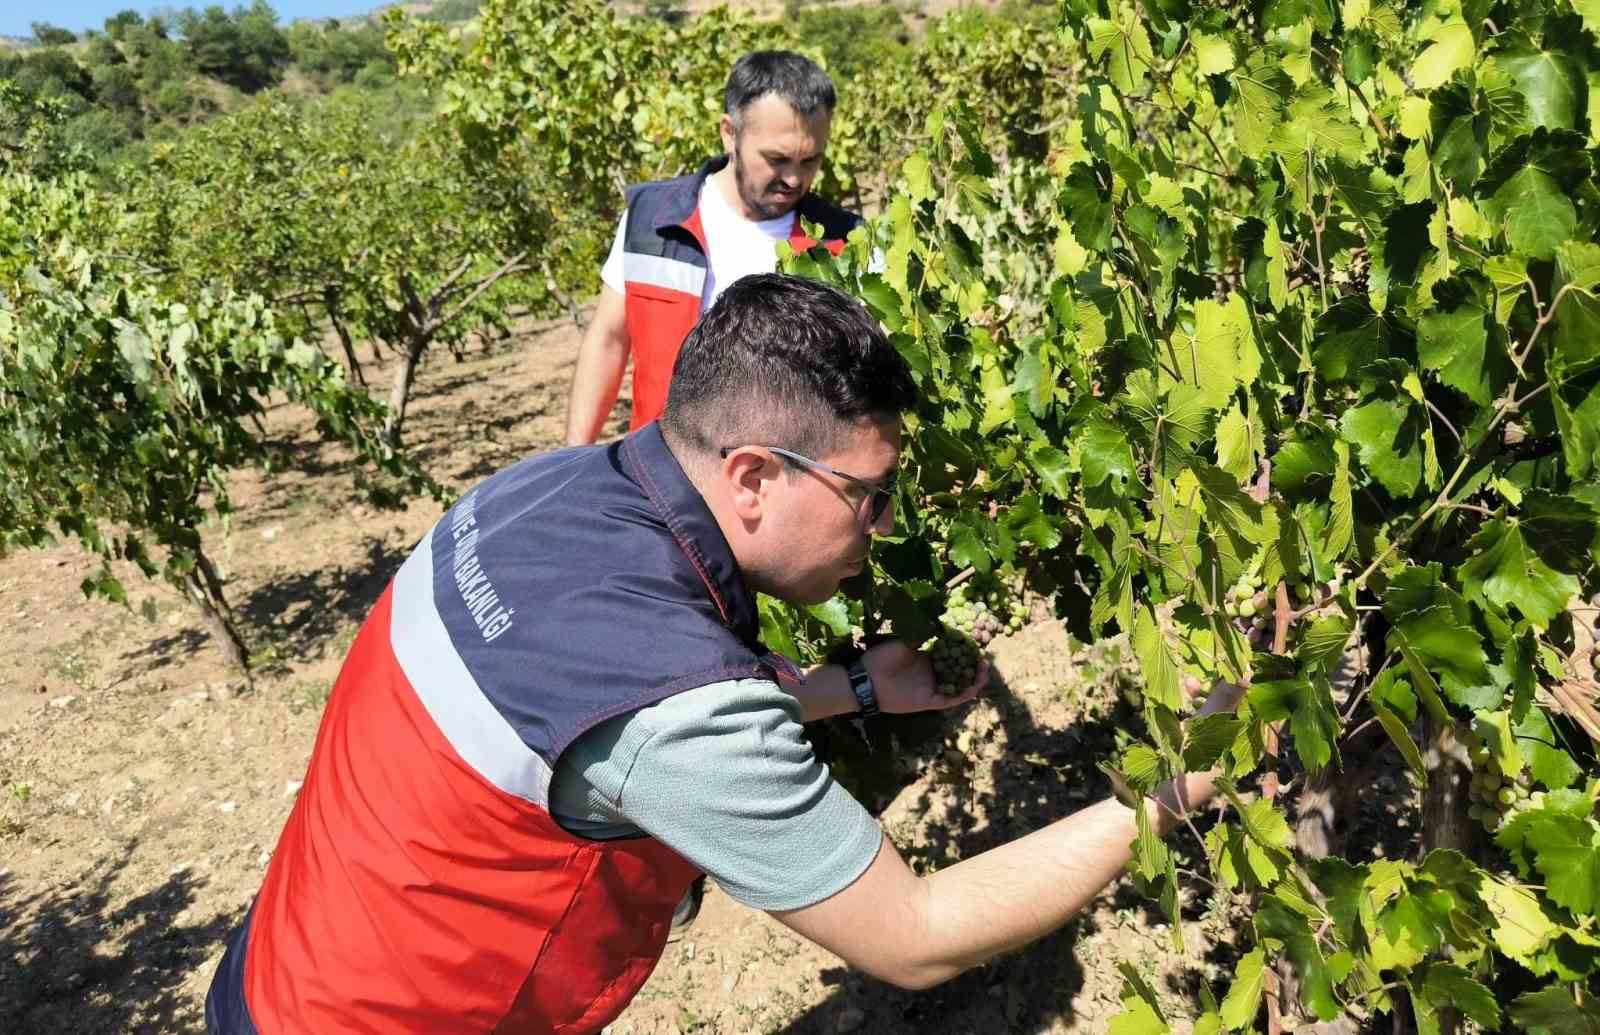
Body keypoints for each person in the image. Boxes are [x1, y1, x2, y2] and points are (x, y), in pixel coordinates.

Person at [206, 275, 1240, 1035]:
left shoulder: (530, 494)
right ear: (751, 476)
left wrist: (849, 690)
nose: (881, 527)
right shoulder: (675, 705)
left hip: (281, 974)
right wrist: (1171, 787)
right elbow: (914, 934)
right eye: (867, 496)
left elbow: (601, 724)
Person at [563, 50, 861, 446]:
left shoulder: (841, 242)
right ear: (729, 133)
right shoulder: (652, 219)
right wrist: (570, 459)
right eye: (777, 159)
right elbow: (608, 339)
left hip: (779, 488)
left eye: (810, 161)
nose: (793, 179)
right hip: (659, 473)